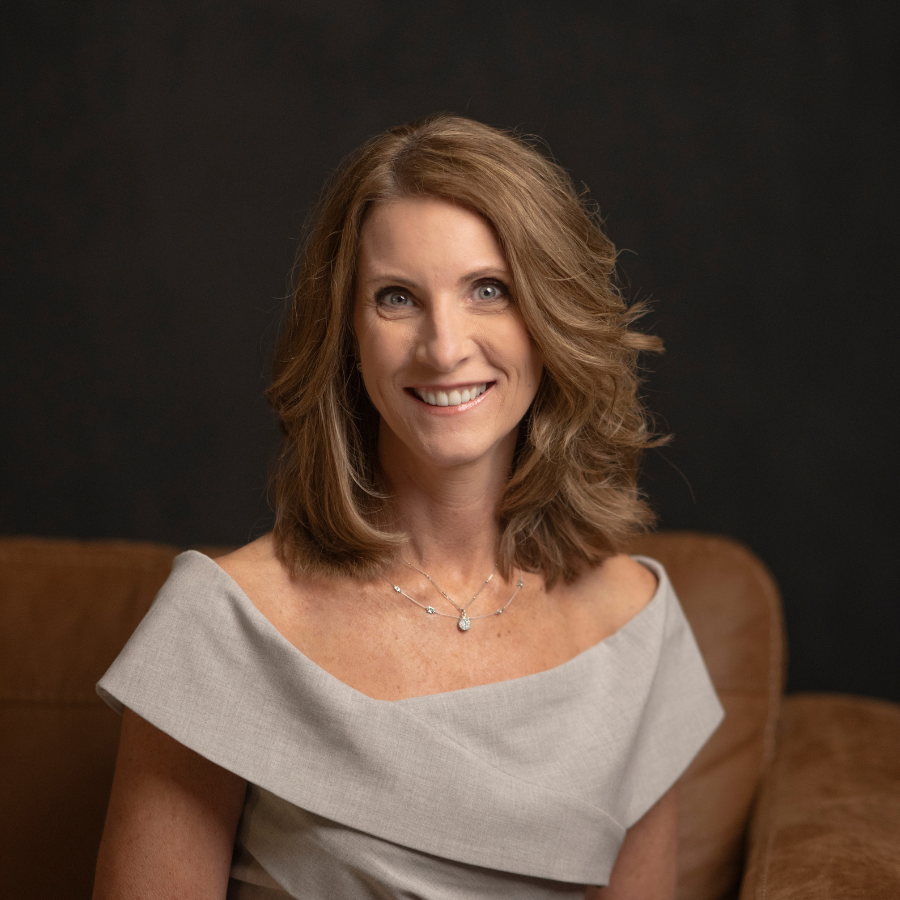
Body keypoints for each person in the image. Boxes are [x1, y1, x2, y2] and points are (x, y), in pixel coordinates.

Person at [92, 114, 723, 899]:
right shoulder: (223, 626)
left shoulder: (635, 625)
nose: (444, 346)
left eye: (488, 290)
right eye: (397, 298)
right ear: (347, 334)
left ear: (550, 318)